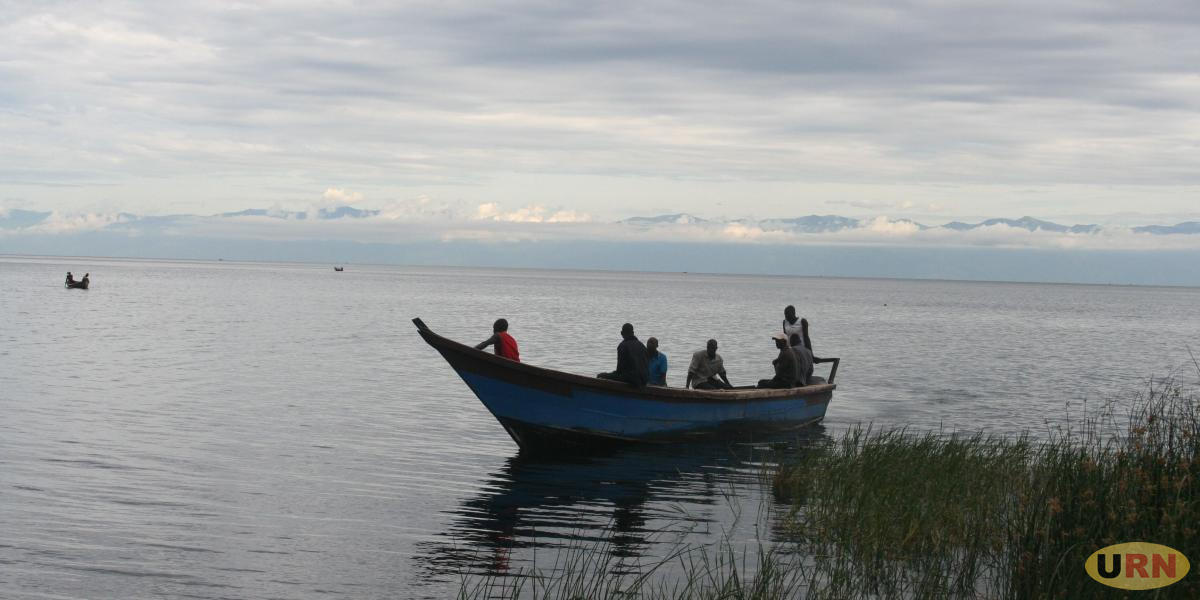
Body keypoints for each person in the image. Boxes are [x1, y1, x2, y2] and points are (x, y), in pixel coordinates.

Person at [597, 323, 649, 387]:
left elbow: (619, 370)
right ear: (633, 332)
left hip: (631, 380)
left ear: (621, 333)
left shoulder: (622, 346)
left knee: (602, 376)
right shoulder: (642, 346)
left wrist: (605, 375)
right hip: (644, 380)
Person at [782, 305, 814, 384]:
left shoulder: (802, 321)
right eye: (785, 314)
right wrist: (783, 351)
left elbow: (806, 337)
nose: (786, 317)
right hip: (790, 350)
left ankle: (801, 381)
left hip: (801, 349)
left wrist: (811, 354)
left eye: (788, 314)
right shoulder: (785, 322)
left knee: (800, 367)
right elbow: (784, 337)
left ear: (793, 313)